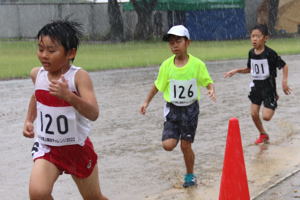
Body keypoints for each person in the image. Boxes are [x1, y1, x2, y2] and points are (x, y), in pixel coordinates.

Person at [22, 20, 108, 200]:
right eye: (40, 49)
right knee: (38, 194)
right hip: (48, 148)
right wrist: (29, 120)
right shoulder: (37, 74)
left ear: (71, 53)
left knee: (93, 198)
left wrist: (69, 96)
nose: (44, 55)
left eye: (51, 50)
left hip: (76, 149)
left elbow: (93, 113)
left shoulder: (78, 77)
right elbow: (36, 96)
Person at [140, 25, 216, 188]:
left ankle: (190, 175)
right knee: (168, 145)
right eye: (171, 42)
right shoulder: (166, 65)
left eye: (178, 41)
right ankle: (180, 150)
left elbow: (207, 81)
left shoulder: (197, 64)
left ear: (188, 42)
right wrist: (146, 101)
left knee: (185, 145)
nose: (174, 45)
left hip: (190, 109)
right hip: (172, 109)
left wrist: (210, 90)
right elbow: (157, 86)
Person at [224, 24, 292, 145]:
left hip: (269, 88)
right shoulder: (251, 53)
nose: (254, 39)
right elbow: (250, 69)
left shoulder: (270, 53)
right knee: (254, 113)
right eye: (252, 36)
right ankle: (263, 134)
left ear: (265, 38)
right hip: (256, 88)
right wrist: (236, 71)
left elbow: (284, 65)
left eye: (257, 36)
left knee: (266, 117)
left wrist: (284, 82)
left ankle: (273, 100)